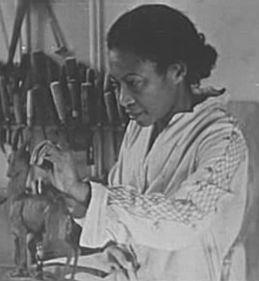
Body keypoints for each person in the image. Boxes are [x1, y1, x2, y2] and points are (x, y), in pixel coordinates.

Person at [31, 4, 248, 281]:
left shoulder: (223, 138)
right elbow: (128, 203)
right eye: (118, 84)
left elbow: (185, 219)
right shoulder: (140, 127)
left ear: (177, 71)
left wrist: (85, 193)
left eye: (135, 83)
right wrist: (91, 219)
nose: (123, 99)